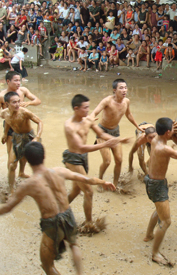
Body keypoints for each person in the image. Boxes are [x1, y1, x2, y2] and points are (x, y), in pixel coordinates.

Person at [0, 142, 116, 275]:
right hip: (68, 215)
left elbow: (8, 207)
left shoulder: (29, 184)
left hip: (52, 223)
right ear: (44, 156)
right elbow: (86, 179)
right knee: (74, 245)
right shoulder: (59, 171)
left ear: (26, 159)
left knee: (47, 265)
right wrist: (104, 182)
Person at [64, 94, 129, 228]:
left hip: (83, 158)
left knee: (76, 191)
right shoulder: (70, 126)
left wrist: (118, 140)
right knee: (88, 191)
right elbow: (81, 147)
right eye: (85, 108)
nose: (88, 111)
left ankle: (58, 210)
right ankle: (89, 223)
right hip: (73, 159)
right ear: (76, 108)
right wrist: (104, 145)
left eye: (88, 107)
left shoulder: (88, 120)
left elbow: (101, 134)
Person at [143, 118, 177, 265]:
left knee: (159, 209)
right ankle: (155, 253)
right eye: (172, 129)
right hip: (157, 185)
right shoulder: (164, 148)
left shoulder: (155, 139)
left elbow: (164, 127)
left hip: (153, 182)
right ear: (168, 132)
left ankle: (149, 235)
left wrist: (172, 126)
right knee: (166, 221)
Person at [91, 79, 141, 187]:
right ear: (114, 90)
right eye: (121, 88)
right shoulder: (107, 101)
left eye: (125, 88)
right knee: (107, 161)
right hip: (102, 132)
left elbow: (129, 114)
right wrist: (90, 119)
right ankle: (100, 181)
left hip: (115, 132)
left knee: (119, 160)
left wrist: (138, 127)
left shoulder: (126, 101)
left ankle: (115, 183)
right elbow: (95, 111)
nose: (124, 90)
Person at [0, 71, 41, 179]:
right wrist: (4, 133)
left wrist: (29, 103)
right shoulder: (2, 95)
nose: (19, 83)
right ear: (8, 81)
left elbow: (38, 100)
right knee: (12, 155)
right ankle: (11, 176)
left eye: (19, 80)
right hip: (10, 125)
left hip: (23, 123)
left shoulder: (23, 91)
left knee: (24, 153)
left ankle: (21, 172)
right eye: (16, 80)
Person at [1, 92, 43, 194]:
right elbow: (7, 120)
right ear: (7, 104)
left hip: (29, 137)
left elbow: (40, 122)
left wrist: (37, 137)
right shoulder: (4, 113)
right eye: (14, 102)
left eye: (18, 101)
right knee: (12, 165)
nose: (17, 104)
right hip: (17, 137)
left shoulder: (24, 112)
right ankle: (11, 190)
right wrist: (5, 133)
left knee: (36, 163)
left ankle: (40, 185)